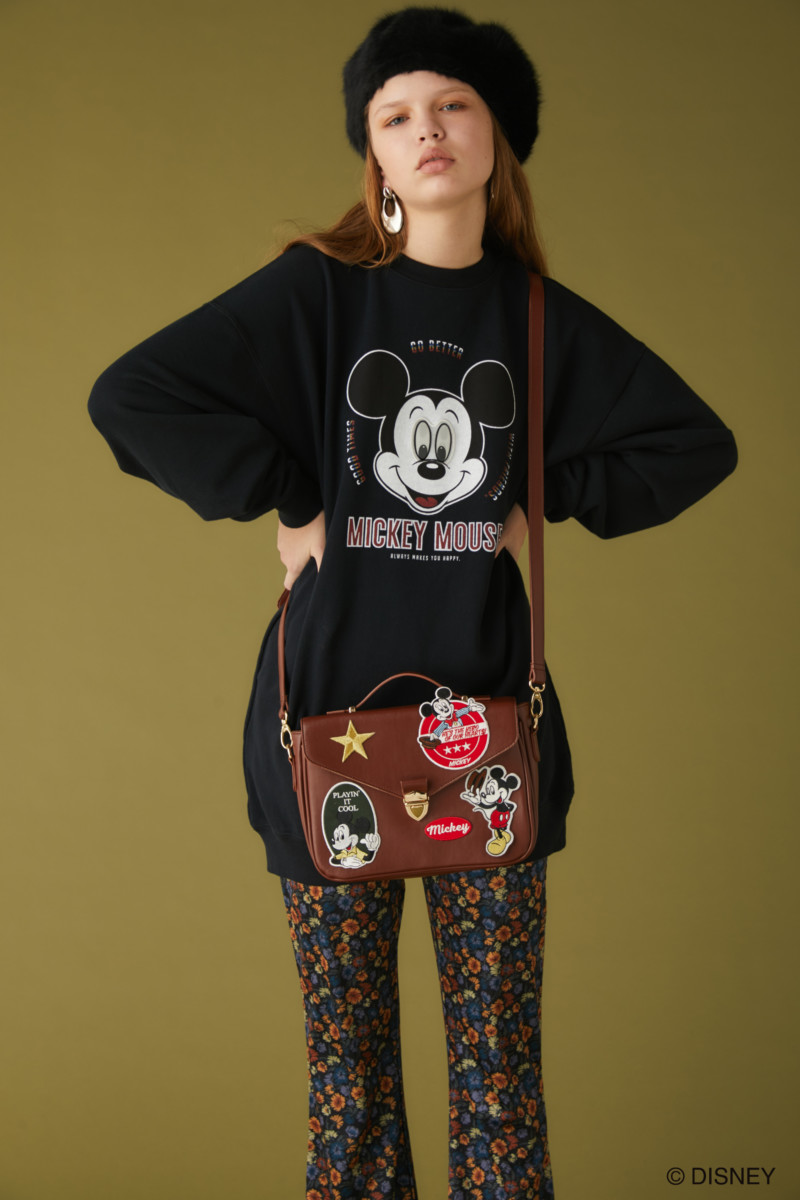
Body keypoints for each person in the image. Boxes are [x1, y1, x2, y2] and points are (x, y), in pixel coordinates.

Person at [87, 8, 737, 1198]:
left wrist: (536, 499)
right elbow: (131, 395)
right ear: (373, 155)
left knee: (499, 1088)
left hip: (484, 743)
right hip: (323, 735)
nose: (424, 131)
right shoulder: (319, 296)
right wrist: (291, 495)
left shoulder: (535, 321)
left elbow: (694, 445)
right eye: (394, 116)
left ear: (497, 138)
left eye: (451, 106)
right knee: (348, 1100)